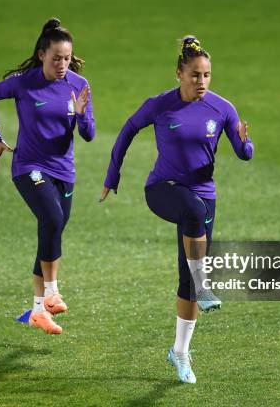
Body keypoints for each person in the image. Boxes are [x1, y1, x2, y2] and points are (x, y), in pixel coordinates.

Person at [100, 36, 253, 383]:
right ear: (179, 74)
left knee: (185, 276)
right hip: (162, 189)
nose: (202, 82)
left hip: (203, 195)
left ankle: (180, 353)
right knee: (193, 214)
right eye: (196, 75)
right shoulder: (160, 105)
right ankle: (204, 284)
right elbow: (127, 131)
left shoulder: (222, 108)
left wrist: (246, 145)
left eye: (207, 75)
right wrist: (113, 175)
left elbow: (244, 152)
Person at [0, 18, 94, 335]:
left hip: (64, 170)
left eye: (67, 58)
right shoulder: (23, 82)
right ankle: (52, 292)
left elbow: (88, 135)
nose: (62, 64)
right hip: (28, 165)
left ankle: (37, 311)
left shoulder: (77, 85)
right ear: (42, 54)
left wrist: (82, 116)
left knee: (52, 230)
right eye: (56, 57)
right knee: (52, 219)